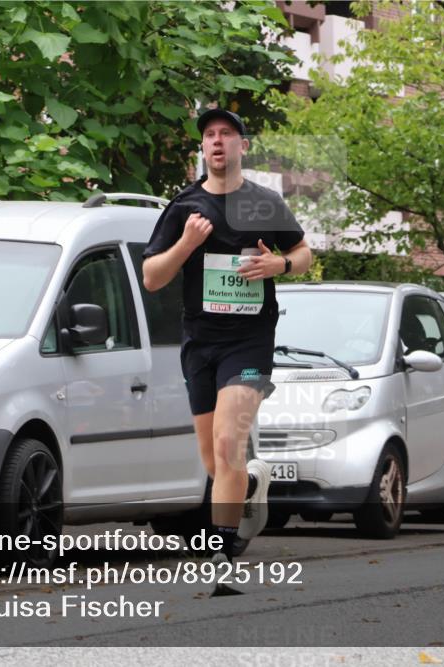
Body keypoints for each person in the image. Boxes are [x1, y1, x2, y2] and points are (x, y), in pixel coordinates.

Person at [142, 108, 312, 590]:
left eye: (227, 135)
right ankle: (250, 482)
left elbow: (304, 254)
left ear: (242, 147)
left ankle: (222, 564)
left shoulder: (264, 202)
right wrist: (186, 244)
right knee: (216, 463)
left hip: (249, 343)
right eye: (210, 136)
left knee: (226, 444)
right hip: (200, 345)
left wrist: (278, 266)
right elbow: (153, 278)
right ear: (203, 148)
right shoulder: (183, 208)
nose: (217, 142)